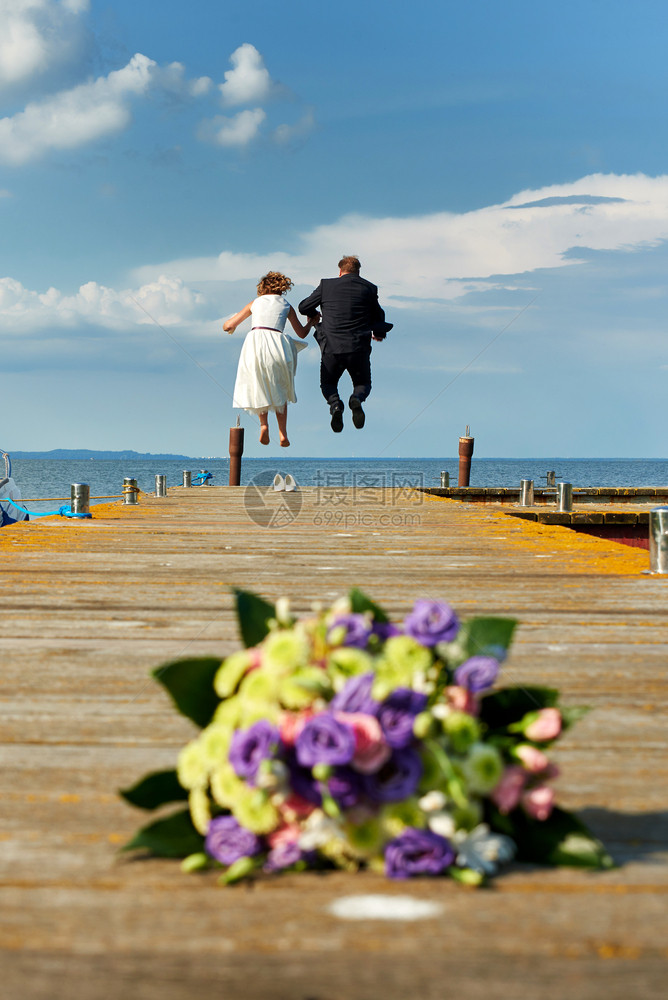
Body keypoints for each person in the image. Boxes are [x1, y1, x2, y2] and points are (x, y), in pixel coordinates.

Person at [298, 255, 391, 432]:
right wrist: (378, 333)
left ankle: (335, 406)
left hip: (331, 348)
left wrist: (314, 314)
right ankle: (356, 398)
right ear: (358, 272)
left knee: (328, 384)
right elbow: (379, 314)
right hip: (358, 348)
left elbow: (303, 307)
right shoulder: (369, 288)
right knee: (362, 384)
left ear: (340, 271)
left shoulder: (326, 285)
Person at [224, 271, 312, 447]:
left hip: (255, 344)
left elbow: (229, 325)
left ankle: (264, 425)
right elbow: (301, 333)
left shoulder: (255, 303)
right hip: (278, 346)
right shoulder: (286, 305)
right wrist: (311, 321)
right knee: (281, 388)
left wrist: (229, 328)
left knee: (259, 385)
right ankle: (283, 433)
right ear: (282, 288)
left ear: (262, 287)